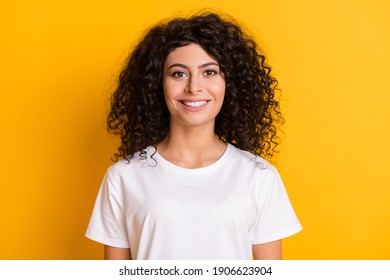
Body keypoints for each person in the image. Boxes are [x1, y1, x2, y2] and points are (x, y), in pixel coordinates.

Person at [86, 12, 302, 260]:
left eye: (209, 72)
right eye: (179, 73)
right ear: (157, 83)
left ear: (229, 83)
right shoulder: (124, 177)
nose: (194, 87)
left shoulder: (259, 175)